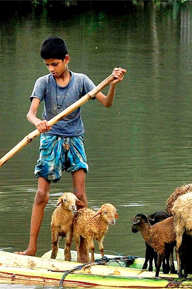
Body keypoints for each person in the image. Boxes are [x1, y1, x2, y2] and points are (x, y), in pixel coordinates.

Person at [17, 36, 126, 256]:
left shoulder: (82, 81)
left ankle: (84, 249)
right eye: (47, 64)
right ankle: (31, 248)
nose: (51, 68)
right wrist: (38, 123)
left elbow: (107, 102)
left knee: (80, 196)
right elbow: (31, 113)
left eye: (55, 64)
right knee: (41, 195)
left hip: (75, 140)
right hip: (51, 140)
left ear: (66, 59)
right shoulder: (43, 82)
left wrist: (112, 86)